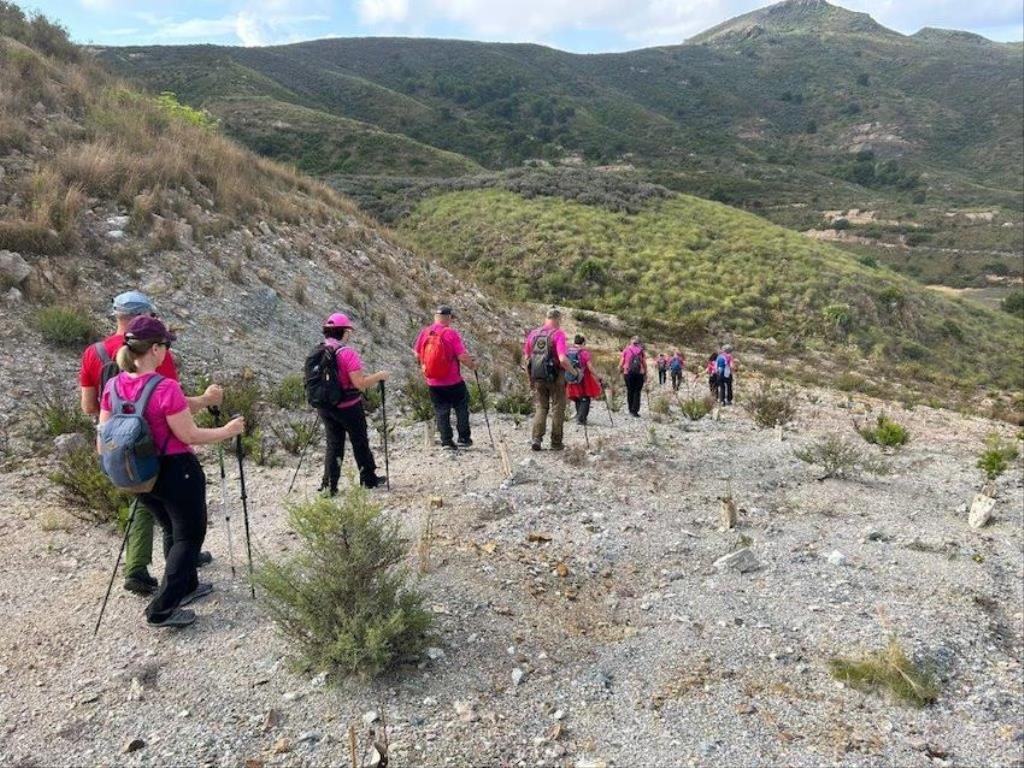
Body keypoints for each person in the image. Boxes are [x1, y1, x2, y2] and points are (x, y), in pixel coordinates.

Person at [98, 316, 245, 628]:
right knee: (189, 536)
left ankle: (187, 586)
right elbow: (189, 435)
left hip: (137, 473)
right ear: (154, 349)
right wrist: (228, 430)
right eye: (165, 345)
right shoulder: (166, 387)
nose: (167, 350)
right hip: (176, 470)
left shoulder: (113, 386)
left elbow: (102, 436)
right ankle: (162, 609)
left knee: (170, 528)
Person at [79, 290, 222, 596]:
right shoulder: (154, 351)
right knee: (168, 514)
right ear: (143, 316)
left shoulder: (94, 353)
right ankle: (173, 570)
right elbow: (171, 400)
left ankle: (139, 568)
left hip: (112, 443)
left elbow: (88, 406)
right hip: (157, 448)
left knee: (141, 501)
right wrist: (206, 400)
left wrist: (119, 416)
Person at [317, 312, 389, 493]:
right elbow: (360, 383)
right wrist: (379, 376)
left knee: (333, 445)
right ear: (344, 331)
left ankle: (329, 486)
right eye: (348, 331)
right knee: (359, 441)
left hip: (326, 406)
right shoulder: (347, 353)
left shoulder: (320, 350)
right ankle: (369, 480)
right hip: (348, 406)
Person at [414, 306, 476, 450]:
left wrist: (426, 367)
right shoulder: (450, 333)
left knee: (441, 410)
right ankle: (464, 438)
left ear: (435, 317)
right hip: (453, 380)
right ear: (448, 318)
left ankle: (446, 441)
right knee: (461, 406)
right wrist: (472, 366)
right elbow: (462, 356)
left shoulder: (425, 332)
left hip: (433, 381)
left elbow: (417, 354)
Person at [524, 308, 574, 451]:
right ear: (558, 319)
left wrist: (530, 378)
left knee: (541, 407)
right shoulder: (558, 334)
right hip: (556, 377)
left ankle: (536, 439)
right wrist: (574, 371)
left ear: (546, 318)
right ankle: (556, 442)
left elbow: (527, 358)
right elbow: (562, 359)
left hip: (538, 376)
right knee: (558, 408)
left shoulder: (533, 334)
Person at [566, 334, 601, 425]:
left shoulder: (568, 351)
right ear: (583, 343)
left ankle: (579, 416)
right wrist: (597, 376)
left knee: (577, 397)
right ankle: (581, 419)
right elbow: (590, 367)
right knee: (585, 398)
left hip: (572, 377)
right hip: (583, 379)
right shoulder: (584, 353)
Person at [620, 336, 647, 417]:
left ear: (630, 342)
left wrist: (620, 370)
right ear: (638, 343)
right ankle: (635, 411)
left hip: (628, 372)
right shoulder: (641, 351)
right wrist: (645, 373)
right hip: (639, 373)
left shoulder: (626, 350)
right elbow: (644, 363)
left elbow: (621, 362)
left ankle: (630, 409)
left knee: (630, 391)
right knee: (637, 391)